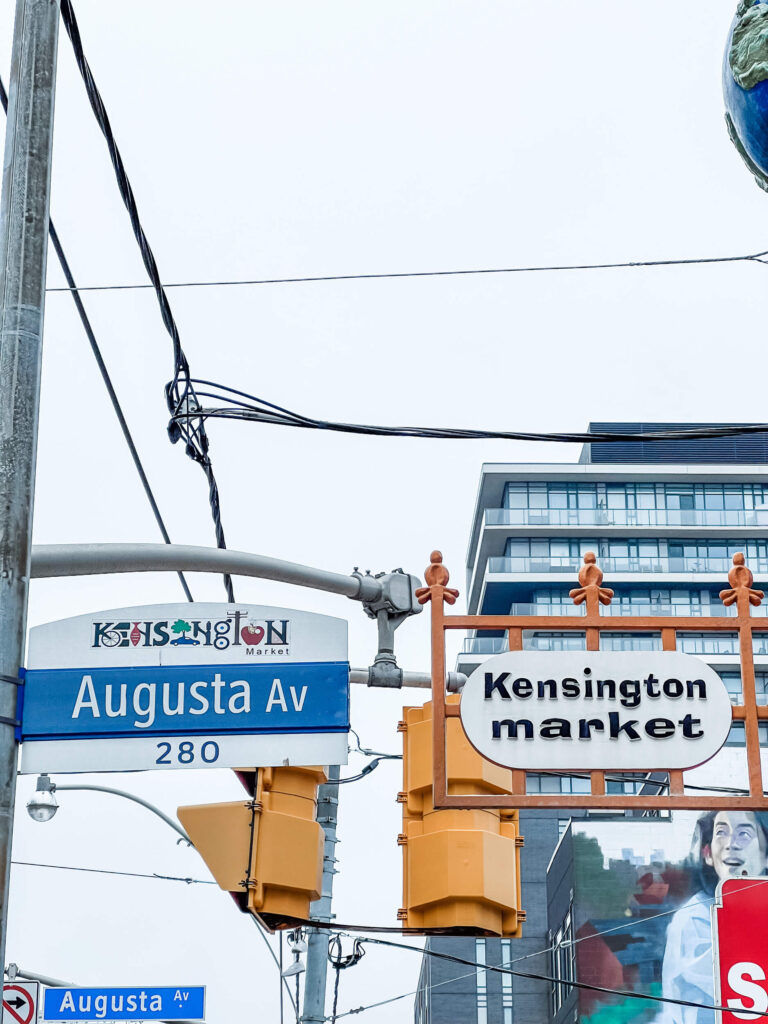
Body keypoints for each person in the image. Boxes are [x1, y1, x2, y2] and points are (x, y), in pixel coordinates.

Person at [658, 810, 768, 1024]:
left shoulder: (756, 907)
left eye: (744, 834)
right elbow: (736, 986)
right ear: (707, 853)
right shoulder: (694, 918)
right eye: (721, 833)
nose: (730, 844)